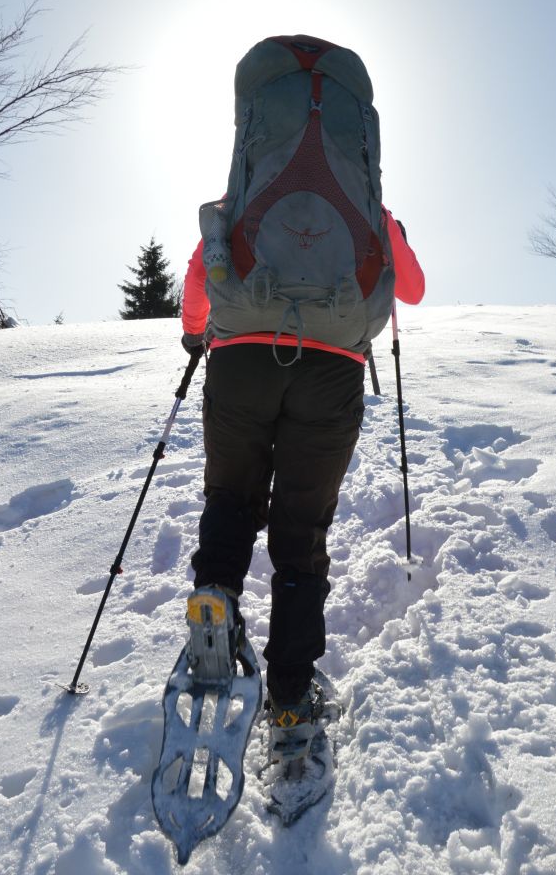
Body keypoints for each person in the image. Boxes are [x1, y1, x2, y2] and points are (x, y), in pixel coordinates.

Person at [180, 203, 425, 751]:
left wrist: (195, 333)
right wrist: (389, 236)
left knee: (232, 495)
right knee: (301, 524)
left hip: (240, 359)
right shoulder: (367, 206)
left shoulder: (245, 197)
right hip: (332, 368)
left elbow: (201, 271)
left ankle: (215, 599)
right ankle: (290, 698)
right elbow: (411, 289)